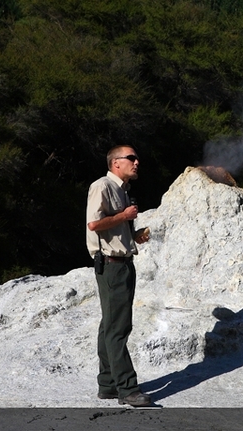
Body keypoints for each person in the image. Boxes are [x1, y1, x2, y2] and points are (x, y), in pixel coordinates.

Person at [86, 145, 152, 407]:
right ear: (116, 163)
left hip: (122, 262)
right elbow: (94, 224)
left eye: (137, 158)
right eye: (131, 158)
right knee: (118, 328)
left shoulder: (123, 190)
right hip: (112, 265)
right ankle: (127, 389)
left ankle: (108, 384)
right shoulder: (102, 186)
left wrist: (133, 235)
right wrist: (123, 215)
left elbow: (111, 228)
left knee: (109, 325)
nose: (137, 162)